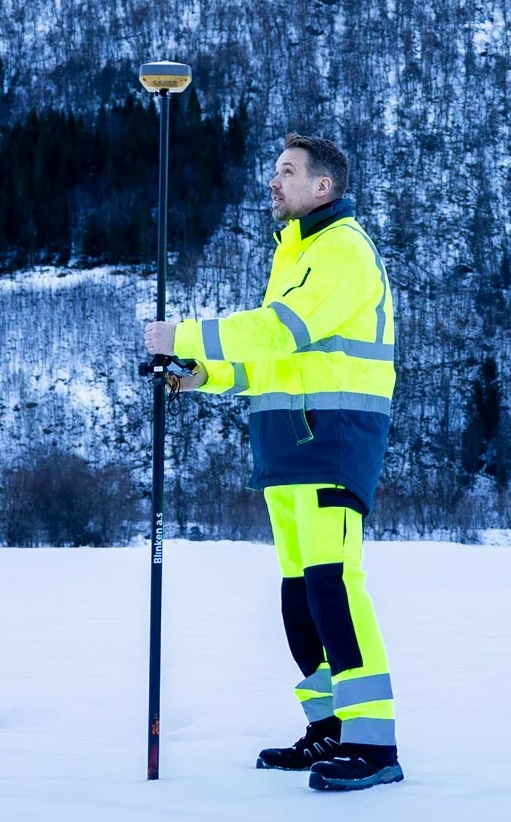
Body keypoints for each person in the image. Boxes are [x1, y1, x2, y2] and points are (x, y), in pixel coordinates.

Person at [142, 132, 402, 792]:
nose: (273, 181)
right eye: (274, 171)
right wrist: (205, 374)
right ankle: (330, 729)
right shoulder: (296, 254)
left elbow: (281, 329)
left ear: (323, 187)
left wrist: (187, 334)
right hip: (289, 441)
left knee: (333, 585)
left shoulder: (342, 252)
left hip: (335, 438)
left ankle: (374, 743)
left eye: (286, 172)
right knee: (300, 594)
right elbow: (274, 356)